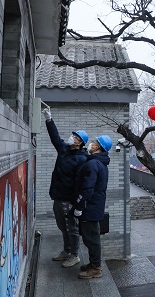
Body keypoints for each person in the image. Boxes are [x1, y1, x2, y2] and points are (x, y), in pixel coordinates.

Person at [42, 107, 89, 268]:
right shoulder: (64, 150)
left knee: (72, 227)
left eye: (75, 137)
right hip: (57, 195)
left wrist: (75, 202)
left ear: (80, 143)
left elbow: (80, 183)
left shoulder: (82, 159)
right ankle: (66, 250)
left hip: (69, 199)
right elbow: (54, 137)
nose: (72, 137)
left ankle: (74, 255)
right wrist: (49, 119)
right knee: (62, 226)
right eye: (72, 135)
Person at [71, 135, 112, 279]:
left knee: (92, 239)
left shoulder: (93, 164)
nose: (92, 144)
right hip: (94, 206)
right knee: (90, 237)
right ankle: (93, 264)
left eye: (95, 142)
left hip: (90, 208)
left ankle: (96, 268)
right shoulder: (98, 163)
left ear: (99, 148)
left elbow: (87, 188)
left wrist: (79, 206)